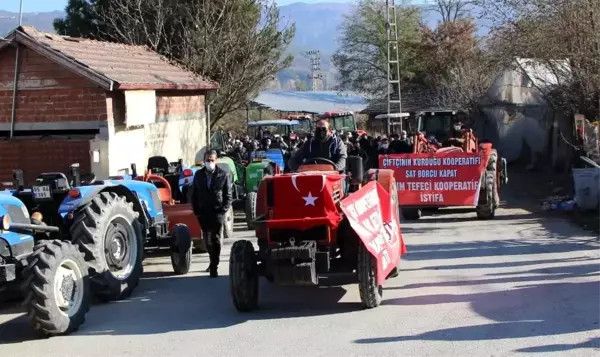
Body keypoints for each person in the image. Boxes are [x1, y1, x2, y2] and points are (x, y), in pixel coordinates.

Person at [189, 150, 233, 277]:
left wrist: (223, 209)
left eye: (212, 160)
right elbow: (194, 194)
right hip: (203, 211)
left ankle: (214, 265)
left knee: (216, 239)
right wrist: (196, 209)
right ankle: (212, 259)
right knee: (207, 240)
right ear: (204, 160)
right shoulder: (198, 175)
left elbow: (228, 195)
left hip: (217, 211)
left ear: (216, 160)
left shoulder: (223, 175)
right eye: (208, 160)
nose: (210, 162)